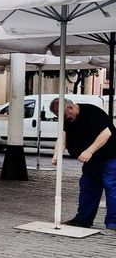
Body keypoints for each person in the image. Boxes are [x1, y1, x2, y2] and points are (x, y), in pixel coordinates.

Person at [49, 98, 116, 233]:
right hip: (91, 161)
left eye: (65, 116)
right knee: (88, 187)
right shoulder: (67, 119)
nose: (64, 119)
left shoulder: (92, 112)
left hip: (111, 156)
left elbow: (106, 133)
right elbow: (63, 136)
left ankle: (113, 224)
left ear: (70, 108)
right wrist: (57, 153)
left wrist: (89, 151)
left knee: (112, 187)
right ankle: (83, 220)